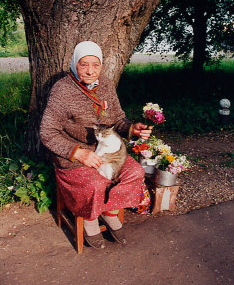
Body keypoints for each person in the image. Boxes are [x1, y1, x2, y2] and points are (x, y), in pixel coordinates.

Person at [40, 41, 152, 249]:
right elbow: (47, 132)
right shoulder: (62, 90)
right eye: (84, 64)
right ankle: (89, 217)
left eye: (96, 65)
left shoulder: (106, 85)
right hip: (73, 156)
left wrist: (131, 129)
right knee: (96, 183)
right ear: (75, 64)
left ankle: (108, 212)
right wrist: (78, 153)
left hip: (104, 152)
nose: (91, 71)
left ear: (101, 66)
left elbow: (118, 120)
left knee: (135, 172)